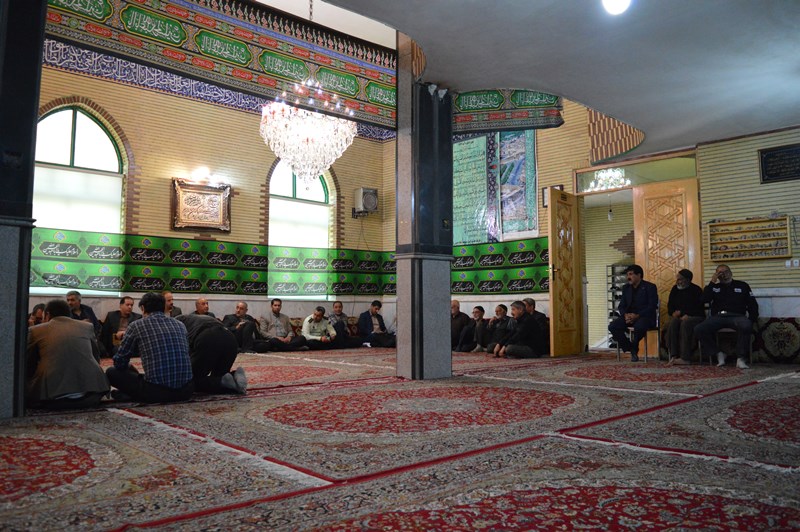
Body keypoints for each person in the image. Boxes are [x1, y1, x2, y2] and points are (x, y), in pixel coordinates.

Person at [106, 292, 194, 403]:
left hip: (157, 392)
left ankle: (132, 395)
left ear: (143, 308)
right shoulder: (180, 324)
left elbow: (120, 361)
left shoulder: (136, 325)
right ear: (163, 307)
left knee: (111, 372)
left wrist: (129, 368)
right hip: (186, 391)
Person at [26, 299, 109, 409]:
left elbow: (28, 363)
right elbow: (95, 356)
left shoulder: (35, 330)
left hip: (51, 398)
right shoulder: (87, 327)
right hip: (91, 394)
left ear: (47, 314)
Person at [694, 264, 758, 369]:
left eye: (726, 271)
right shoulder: (714, 287)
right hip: (718, 317)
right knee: (699, 329)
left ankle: (741, 358)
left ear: (731, 273)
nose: (724, 274)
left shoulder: (742, 285)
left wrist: (752, 319)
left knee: (746, 325)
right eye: (720, 273)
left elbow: (752, 304)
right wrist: (712, 282)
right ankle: (718, 353)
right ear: (717, 275)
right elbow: (704, 299)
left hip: (737, 316)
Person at [176, 313, 246, 394]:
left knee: (188, 380)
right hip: (230, 338)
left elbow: (182, 351)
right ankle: (235, 376)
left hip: (208, 336)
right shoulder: (193, 318)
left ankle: (221, 381)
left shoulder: (176, 323)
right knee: (220, 377)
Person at [608, 264, 659, 362]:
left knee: (639, 326)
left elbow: (652, 306)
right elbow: (621, 306)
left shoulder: (650, 287)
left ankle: (634, 347)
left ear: (639, 275)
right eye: (627, 275)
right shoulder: (626, 288)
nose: (628, 277)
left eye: (631, 274)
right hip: (629, 316)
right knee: (612, 326)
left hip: (644, 317)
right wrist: (625, 315)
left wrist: (637, 315)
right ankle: (630, 347)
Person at [666, 269, 705, 365]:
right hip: (679, 317)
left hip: (695, 317)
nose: (678, 281)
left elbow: (699, 307)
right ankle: (673, 355)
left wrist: (687, 314)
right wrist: (673, 313)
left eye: (680, 279)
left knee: (685, 323)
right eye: (677, 279)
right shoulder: (675, 289)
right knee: (673, 322)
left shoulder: (696, 290)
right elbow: (670, 305)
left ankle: (685, 357)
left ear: (688, 280)